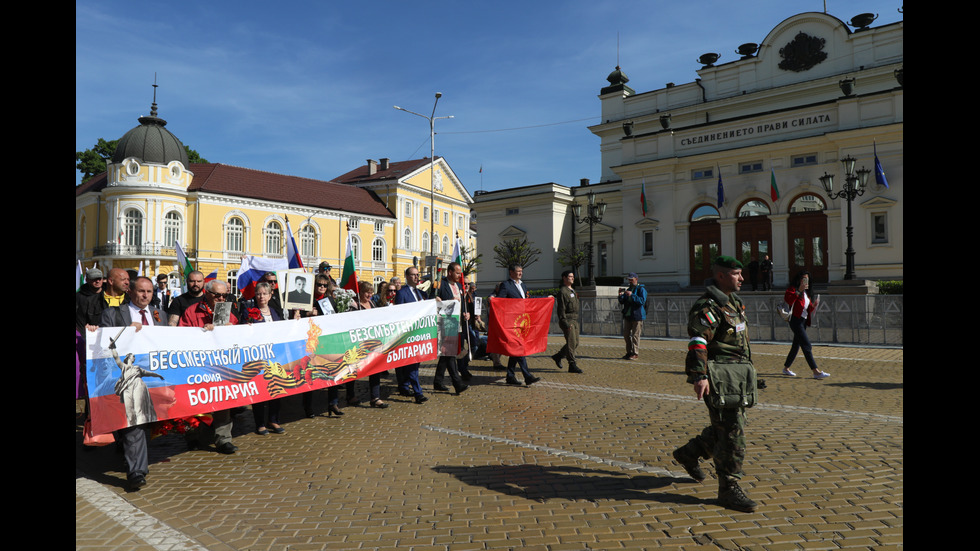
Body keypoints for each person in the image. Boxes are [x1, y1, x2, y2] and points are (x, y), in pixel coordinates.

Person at [672, 256, 758, 513]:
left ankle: (690, 453)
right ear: (721, 276)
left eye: (741, 273)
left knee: (727, 427)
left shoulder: (733, 303)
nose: (742, 278)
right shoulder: (709, 306)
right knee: (732, 433)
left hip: (736, 378)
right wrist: (700, 375)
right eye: (736, 274)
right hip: (719, 379)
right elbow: (698, 340)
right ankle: (728, 488)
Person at [96, 275, 164, 491]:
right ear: (131, 292)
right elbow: (104, 345)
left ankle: (130, 454)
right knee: (134, 423)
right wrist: (125, 332)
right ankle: (136, 471)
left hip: (155, 379)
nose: (146, 295)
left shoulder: (160, 314)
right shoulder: (112, 314)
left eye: (150, 292)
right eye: (141, 291)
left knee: (147, 423)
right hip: (128, 379)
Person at [179, 279, 239, 454]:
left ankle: (223, 439)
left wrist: (231, 328)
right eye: (217, 295)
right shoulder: (192, 311)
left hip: (221, 364)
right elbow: (182, 335)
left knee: (223, 401)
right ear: (207, 293)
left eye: (224, 295)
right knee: (196, 402)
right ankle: (193, 436)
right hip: (198, 365)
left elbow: (238, 333)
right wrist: (202, 332)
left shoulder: (227, 312)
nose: (221, 298)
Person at [240, 282, 287, 435]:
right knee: (260, 389)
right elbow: (244, 332)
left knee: (276, 387)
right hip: (258, 356)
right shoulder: (250, 312)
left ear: (270, 295)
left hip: (274, 356)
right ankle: (260, 423)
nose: (261, 297)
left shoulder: (274, 311)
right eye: (258, 294)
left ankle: (274, 420)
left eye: (264, 294)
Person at [495, 264, 541, 386]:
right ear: (511, 272)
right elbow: (500, 301)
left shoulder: (523, 285)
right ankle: (527, 376)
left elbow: (528, 299)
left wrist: (546, 298)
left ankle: (510, 376)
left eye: (521, 271)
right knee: (519, 348)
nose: (520, 273)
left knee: (516, 350)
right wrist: (492, 299)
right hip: (511, 323)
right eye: (518, 271)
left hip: (523, 322)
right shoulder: (506, 285)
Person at [346, 281, 388, 408]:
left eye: (371, 292)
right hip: (357, 344)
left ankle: (375, 397)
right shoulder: (354, 305)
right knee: (353, 369)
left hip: (371, 342)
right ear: (360, 293)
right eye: (366, 292)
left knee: (375, 368)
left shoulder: (372, 303)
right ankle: (350, 395)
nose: (369, 295)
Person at [782, 270, 830, 379]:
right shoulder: (793, 290)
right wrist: (799, 290)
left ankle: (786, 368)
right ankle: (816, 371)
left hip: (802, 321)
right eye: (803, 279)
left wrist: (814, 305)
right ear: (799, 280)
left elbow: (806, 308)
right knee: (806, 345)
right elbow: (789, 300)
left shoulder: (806, 293)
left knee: (796, 346)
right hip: (795, 320)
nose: (805, 281)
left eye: (807, 279)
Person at [393, 266, 429, 404]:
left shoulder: (420, 293)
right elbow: (399, 314)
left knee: (414, 363)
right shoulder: (402, 293)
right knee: (412, 365)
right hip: (408, 334)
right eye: (413, 275)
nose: (416, 277)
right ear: (407, 277)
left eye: (417, 275)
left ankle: (403, 385)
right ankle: (418, 393)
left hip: (419, 333)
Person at [434, 262, 470, 395]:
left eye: (460, 273)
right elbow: (433, 298)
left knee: (446, 354)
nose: (459, 275)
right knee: (449, 354)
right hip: (445, 324)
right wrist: (436, 298)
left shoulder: (459, 286)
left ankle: (437, 381)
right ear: (450, 272)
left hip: (458, 323)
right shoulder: (441, 284)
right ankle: (457, 383)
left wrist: (466, 313)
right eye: (457, 273)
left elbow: (463, 303)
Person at [551, 270, 583, 373]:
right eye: (570, 276)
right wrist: (565, 322)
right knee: (571, 343)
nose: (572, 278)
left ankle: (558, 356)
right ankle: (572, 364)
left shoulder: (572, 290)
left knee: (575, 343)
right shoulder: (563, 292)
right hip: (568, 320)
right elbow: (561, 309)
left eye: (573, 276)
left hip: (574, 320)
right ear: (564, 278)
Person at [617, 272, 647, 360]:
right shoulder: (629, 288)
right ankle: (629, 352)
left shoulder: (641, 289)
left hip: (637, 315)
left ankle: (635, 353)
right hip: (628, 315)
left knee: (635, 335)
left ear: (636, 279)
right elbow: (622, 302)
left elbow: (642, 301)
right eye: (629, 280)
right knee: (626, 334)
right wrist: (620, 295)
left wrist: (632, 295)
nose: (630, 281)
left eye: (631, 280)